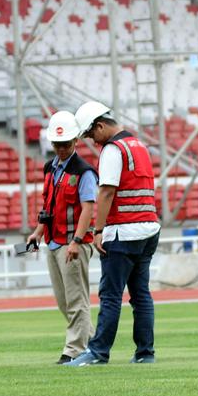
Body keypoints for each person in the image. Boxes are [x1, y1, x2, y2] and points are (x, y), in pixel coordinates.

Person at [65, 101, 159, 366]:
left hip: (122, 232)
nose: (92, 141)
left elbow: (106, 191)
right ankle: (145, 353)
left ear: (100, 126)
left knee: (110, 296)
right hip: (148, 229)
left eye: (90, 134)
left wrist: (98, 230)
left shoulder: (112, 149)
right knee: (141, 296)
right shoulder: (138, 145)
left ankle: (98, 352)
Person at [26, 111, 98, 364]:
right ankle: (93, 344)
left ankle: (73, 350)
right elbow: (48, 205)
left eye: (66, 144)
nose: (61, 149)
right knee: (64, 300)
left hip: (72, 244)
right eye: (57, 144)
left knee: (76, 299)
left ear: (76, 140)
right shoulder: (50, 168)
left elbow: (87, 208)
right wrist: (37, 232)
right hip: (54, 241)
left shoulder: (84, 172)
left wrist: (76, 241)